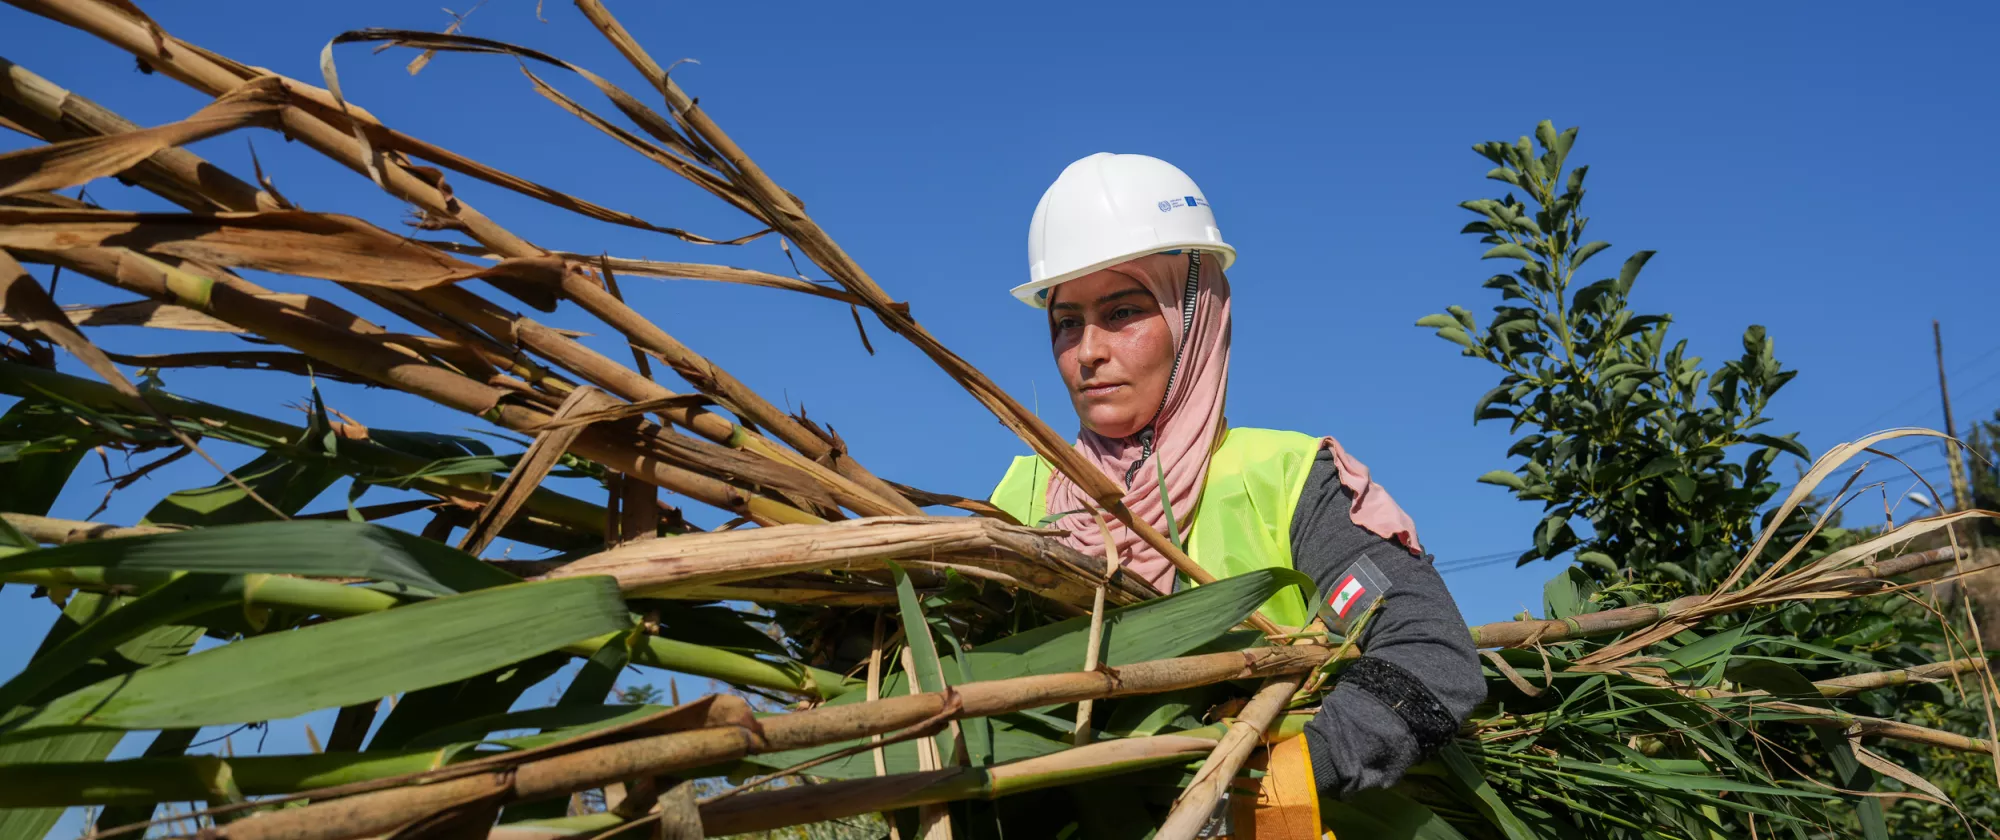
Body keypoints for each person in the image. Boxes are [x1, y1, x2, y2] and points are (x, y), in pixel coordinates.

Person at [988, 153, 1485, 804]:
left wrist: (1271, 779)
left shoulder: (1288, 480)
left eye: (1121, 313)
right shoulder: (1019, 499)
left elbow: (1430, 652)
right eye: (1065, 323)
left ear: (1193, 317)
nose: (1087, 352)